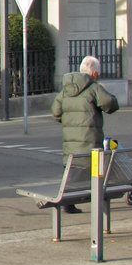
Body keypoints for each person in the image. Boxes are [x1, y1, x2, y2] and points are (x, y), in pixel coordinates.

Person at [51, 55, 119, 212]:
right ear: (94, 74)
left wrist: (69, 119)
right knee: (95, 169)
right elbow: (111, 105)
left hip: (70, 146)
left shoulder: (66, 90)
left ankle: (69, 203)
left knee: (71, 169)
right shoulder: (94, 88)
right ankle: (98, 201)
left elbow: (55, 111)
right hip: (91, 144)